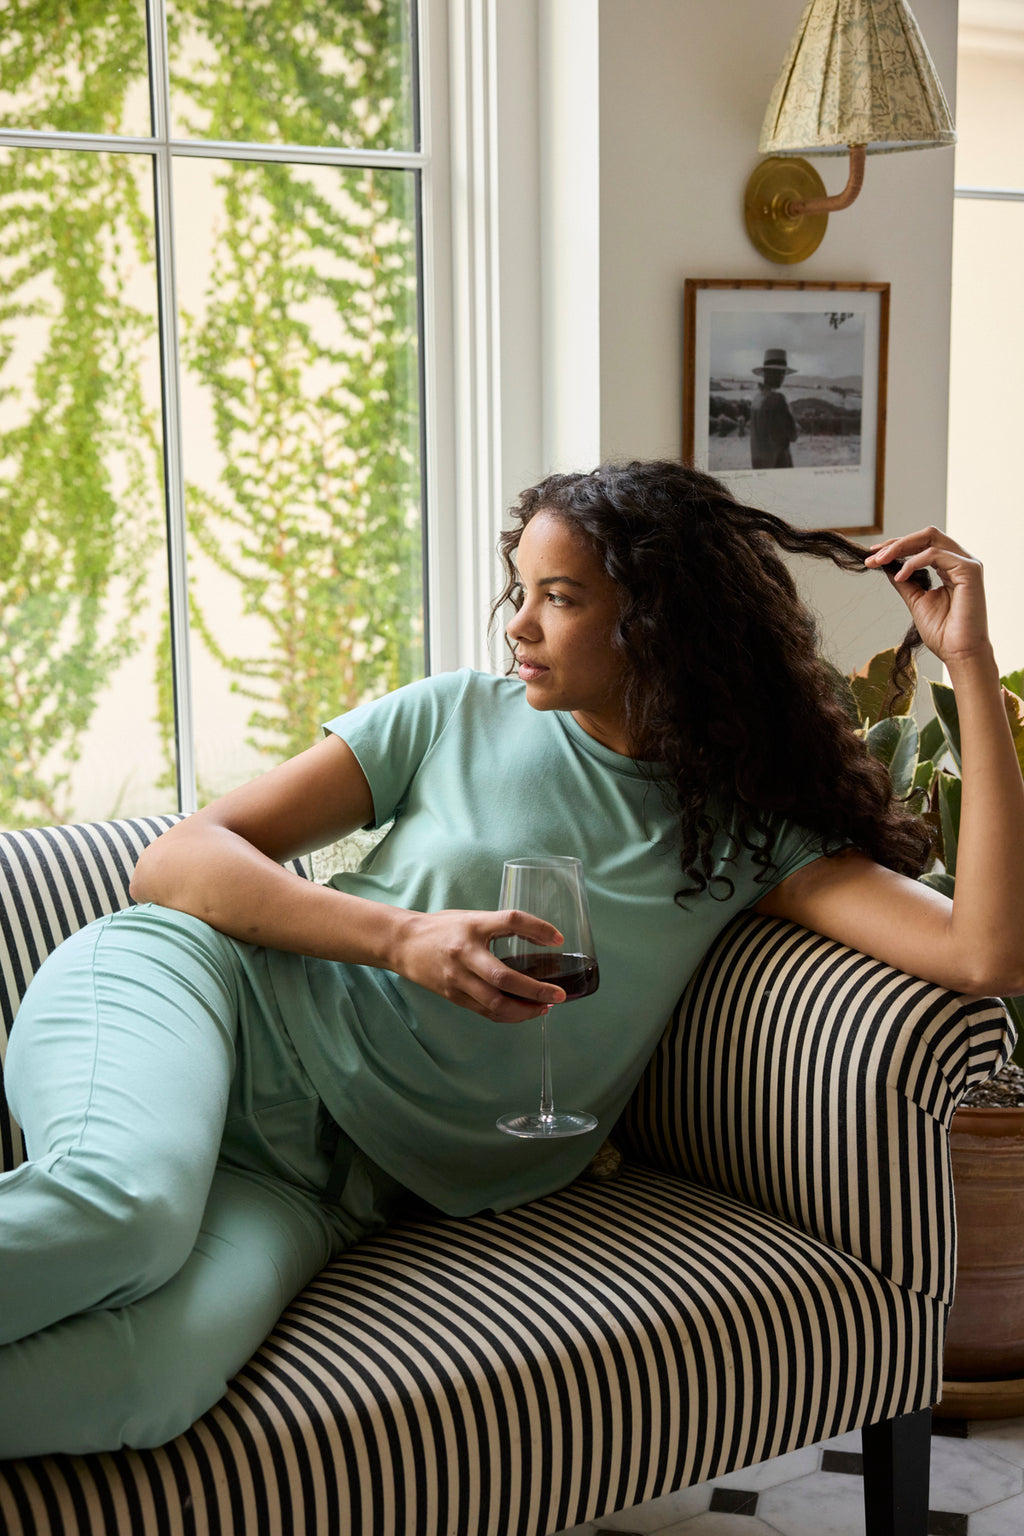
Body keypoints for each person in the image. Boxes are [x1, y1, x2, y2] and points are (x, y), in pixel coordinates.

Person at [2, 459, 1022, 1459]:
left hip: (327, 1186)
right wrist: (400, 938)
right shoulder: (450, 714)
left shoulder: (745, 835)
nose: (518, 625)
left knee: (149, 1382)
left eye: (560, 598)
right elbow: (177, 859)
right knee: (122, 1217)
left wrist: (966, 664)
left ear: (656, 622)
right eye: (520, 592)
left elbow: (984, 954)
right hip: (200, 999)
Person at [750, 347, 799, 468]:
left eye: (783, 373)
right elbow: (793, 435)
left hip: (759, 464)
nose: (782, 377)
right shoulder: (777, 399)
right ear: (769, 373)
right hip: (778, 464)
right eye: (780, 373)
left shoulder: (757, 399)